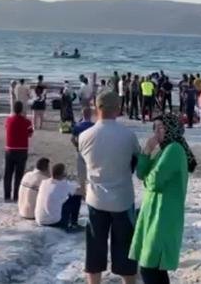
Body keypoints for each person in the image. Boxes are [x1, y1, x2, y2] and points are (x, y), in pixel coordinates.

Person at [78, 91, 141, 284]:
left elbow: (81, 168)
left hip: (96, 198)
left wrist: (83, 189)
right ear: (118, 109)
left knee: (95, 246)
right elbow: (137, 163)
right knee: (125, 246)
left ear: (97, 108)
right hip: (122, 198)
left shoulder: (85, 136)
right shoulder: (128, 135)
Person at [131, 114, 195, 284]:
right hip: (153, 213)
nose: (156, 132)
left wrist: (148, 178)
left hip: (163, 217)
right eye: (155, 127)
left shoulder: (174, 149)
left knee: (149, 267)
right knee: (153, 268)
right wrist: (146, 152)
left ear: (171, 129)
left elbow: (154, 182)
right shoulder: (163, 151)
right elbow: (140, 174)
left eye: (161, 127)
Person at [35, 163, 84, 232]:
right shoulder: (64, 185)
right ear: (63, 174)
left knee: (62, 199)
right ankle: (74, 224)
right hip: (54, 222)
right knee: (76, 197)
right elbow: (80, 191)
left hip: (40, 220)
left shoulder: (44, 182)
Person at [4, 101, 33, 202]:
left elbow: (6, 127)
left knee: (8, 173)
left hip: (10, 148)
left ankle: (7, 195)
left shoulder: (8, 120)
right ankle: (16, 195)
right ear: (21, 109)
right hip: (22, 149)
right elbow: (30, 134)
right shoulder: (27, 122)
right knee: (19, 174)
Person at [71, 106, 96, 190]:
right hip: (91, 151)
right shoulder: (94, 126)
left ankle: (82, 190)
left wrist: (77, 146)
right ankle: (90, 189)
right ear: (91, 115)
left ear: (82, 114)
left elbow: (72, 139)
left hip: (81, 150)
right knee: (91, 171)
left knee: (81, 173)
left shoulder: (77, 126)